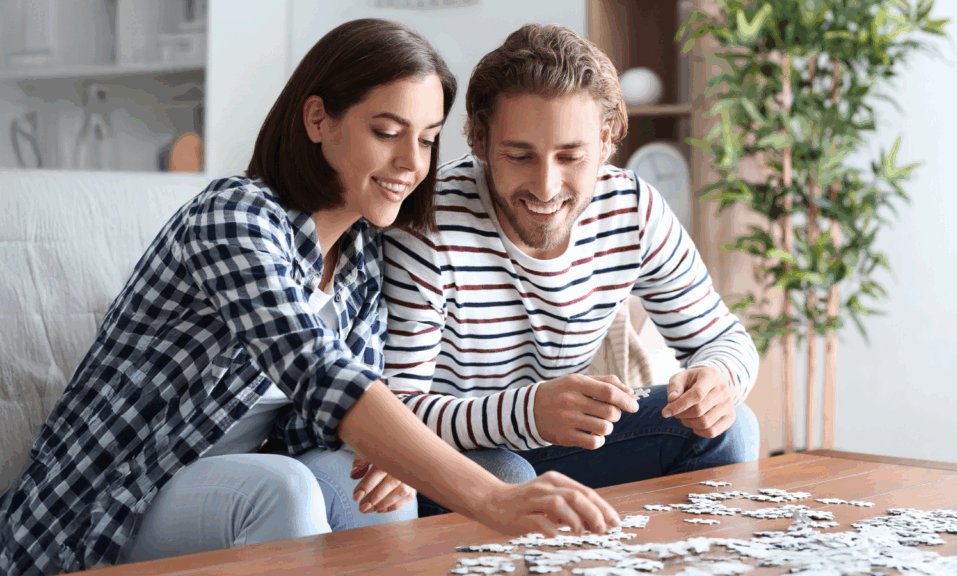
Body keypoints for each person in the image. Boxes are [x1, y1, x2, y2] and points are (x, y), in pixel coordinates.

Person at [0, 19, 620, 576]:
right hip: (112, 499)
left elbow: (340, 416)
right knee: (287, 492)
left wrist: (381, 451)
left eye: (428, 139)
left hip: (233, 483)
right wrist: (490, 499)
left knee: (391, 486)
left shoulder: (362, 263)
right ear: (318, 118)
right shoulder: (233, 219)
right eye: (387, 131)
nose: (412, 163)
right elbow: (321, 374)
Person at [381, 23, 762, 517]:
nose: (545, 186)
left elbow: (726, 338)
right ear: (478, 139)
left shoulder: (632, 209)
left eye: (571, 156)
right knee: (509, 475)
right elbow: (392, 413)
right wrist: (530, 412)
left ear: (607, 140)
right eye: (519, 156)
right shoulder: (426, 223)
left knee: (734, 425)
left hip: (558, 448)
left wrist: (717, 378)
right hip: (448, 463)